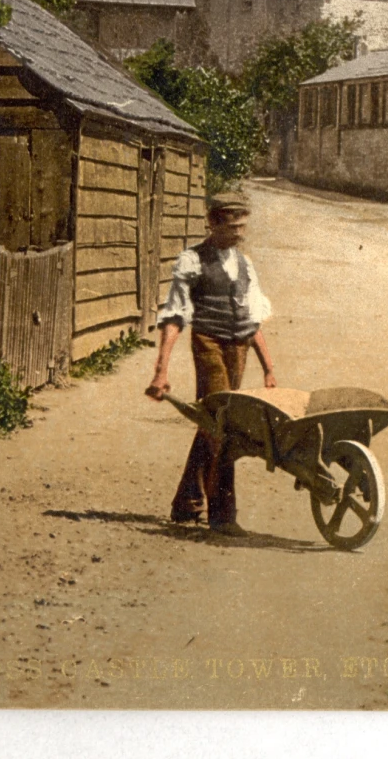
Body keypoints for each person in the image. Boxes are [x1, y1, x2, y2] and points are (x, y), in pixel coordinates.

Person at [145, 196, 277, 533]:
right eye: (232, 228)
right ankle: (222, 516)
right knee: (224, 425)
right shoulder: (192, 261)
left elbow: (253, 317)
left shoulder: (245, 264)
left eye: (242, 227)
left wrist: (268, 368)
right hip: (208, 343)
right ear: (213, 224)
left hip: (240, 348)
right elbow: (174, 317)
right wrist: (162, 370)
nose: (239, 235)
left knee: (211, 424)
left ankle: (187, 502)